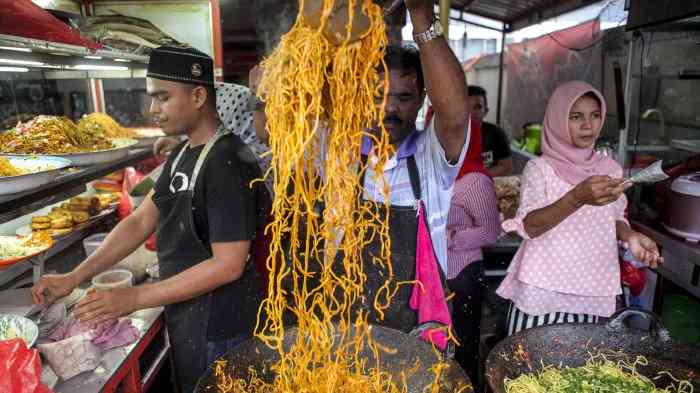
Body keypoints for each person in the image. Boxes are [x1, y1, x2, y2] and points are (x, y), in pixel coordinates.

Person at [31, 46, 265, 393]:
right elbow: (141, 221)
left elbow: (227, 265)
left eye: (162, 97)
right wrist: (74, 276)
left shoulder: (228, 161)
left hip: (222, 326)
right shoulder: (185, 153)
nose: (152, 109)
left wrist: (134, 298)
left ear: (199, 95)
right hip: (189, 315)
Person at [252, 0, 471, 334]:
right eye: (378, 93)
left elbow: (455, 114)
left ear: (423, 98)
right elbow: (271, 125)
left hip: (412, 337)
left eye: (404, 96)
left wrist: (422, 16)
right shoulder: (338, 149)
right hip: (343, 329)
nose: (391, 107)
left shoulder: (432, 157)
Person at [496, 81, 662, 336]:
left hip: (594, 286)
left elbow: (614, 217)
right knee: (528, 367)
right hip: (542, 287)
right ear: (558, 119)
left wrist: (630, 237)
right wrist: (577, 197)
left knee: (583, 369)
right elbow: (529, 226)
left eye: (595, 116)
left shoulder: (610, 169)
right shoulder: (541, 169)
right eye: (576, 117)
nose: (588, 125)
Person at [445, 115, 501, 388]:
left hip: (463, 272)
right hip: (435, 270)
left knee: (463, 343)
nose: (445, 140)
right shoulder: (432, 172)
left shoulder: (475, 181)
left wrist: (452, 238)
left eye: (455, 134)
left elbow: (492, 231)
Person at [467, 85, 513, 177]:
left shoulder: (496, 134)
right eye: (467, 107)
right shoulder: (451, 137)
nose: (472, 112)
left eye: (477, 107)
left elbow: (506, 167)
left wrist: (477, 177)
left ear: (486, 111)